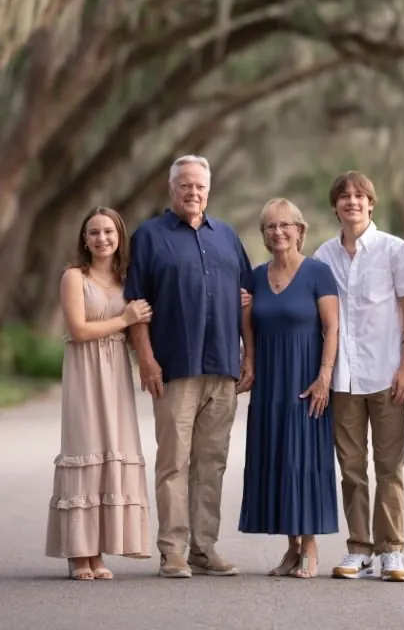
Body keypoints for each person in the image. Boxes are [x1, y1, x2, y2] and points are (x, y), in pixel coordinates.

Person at [124, 154, 253, 579]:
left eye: (199, 186)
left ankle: (204, 547)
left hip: (222, 368)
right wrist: (146, 358)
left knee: (211, 462)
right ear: (171, 189)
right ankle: (172, 551)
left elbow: (247, 300)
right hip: (175, 367)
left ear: (208, 190)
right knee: (174, 462)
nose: (193, 192)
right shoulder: (149, 236)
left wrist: (248, 356)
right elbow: (136, 305)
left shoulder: (227, 237)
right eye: (185, 185)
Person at [314, 171, 404, 582]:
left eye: (360, 196)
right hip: (344, 379)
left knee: (390, 465)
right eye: (344, 196)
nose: (352, 202)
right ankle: (359, 548)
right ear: (335, 205)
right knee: (352, 467)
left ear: (371, 204)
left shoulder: (395, 251)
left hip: (387, 374)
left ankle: (392, 550)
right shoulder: (323, 256)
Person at [46, 207, 153, 580]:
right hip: (85, 370)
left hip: (116, 373)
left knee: (112, 447)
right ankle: (79, 553)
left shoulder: (127, 280)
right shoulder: (74, 277)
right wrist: (125, 319)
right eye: (94, 232)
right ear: (84, 239)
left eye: (109, 231)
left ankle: (99, 552)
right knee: (85, 446)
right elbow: (78, 330)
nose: (102, 238)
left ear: (119, 236)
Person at [239, 199, 339, 578]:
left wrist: (324, 376)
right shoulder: (254, 276)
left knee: (305, 459)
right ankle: (291, 548)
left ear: (300, 230)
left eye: (285, 225)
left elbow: (332, 328)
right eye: (270, 227)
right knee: (277, 458)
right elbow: (248, 325)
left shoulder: (318, 273)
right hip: (269, 384)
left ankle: (310, 546)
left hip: (307, 379)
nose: (278, 232)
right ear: (264, 235)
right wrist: (249, 360)